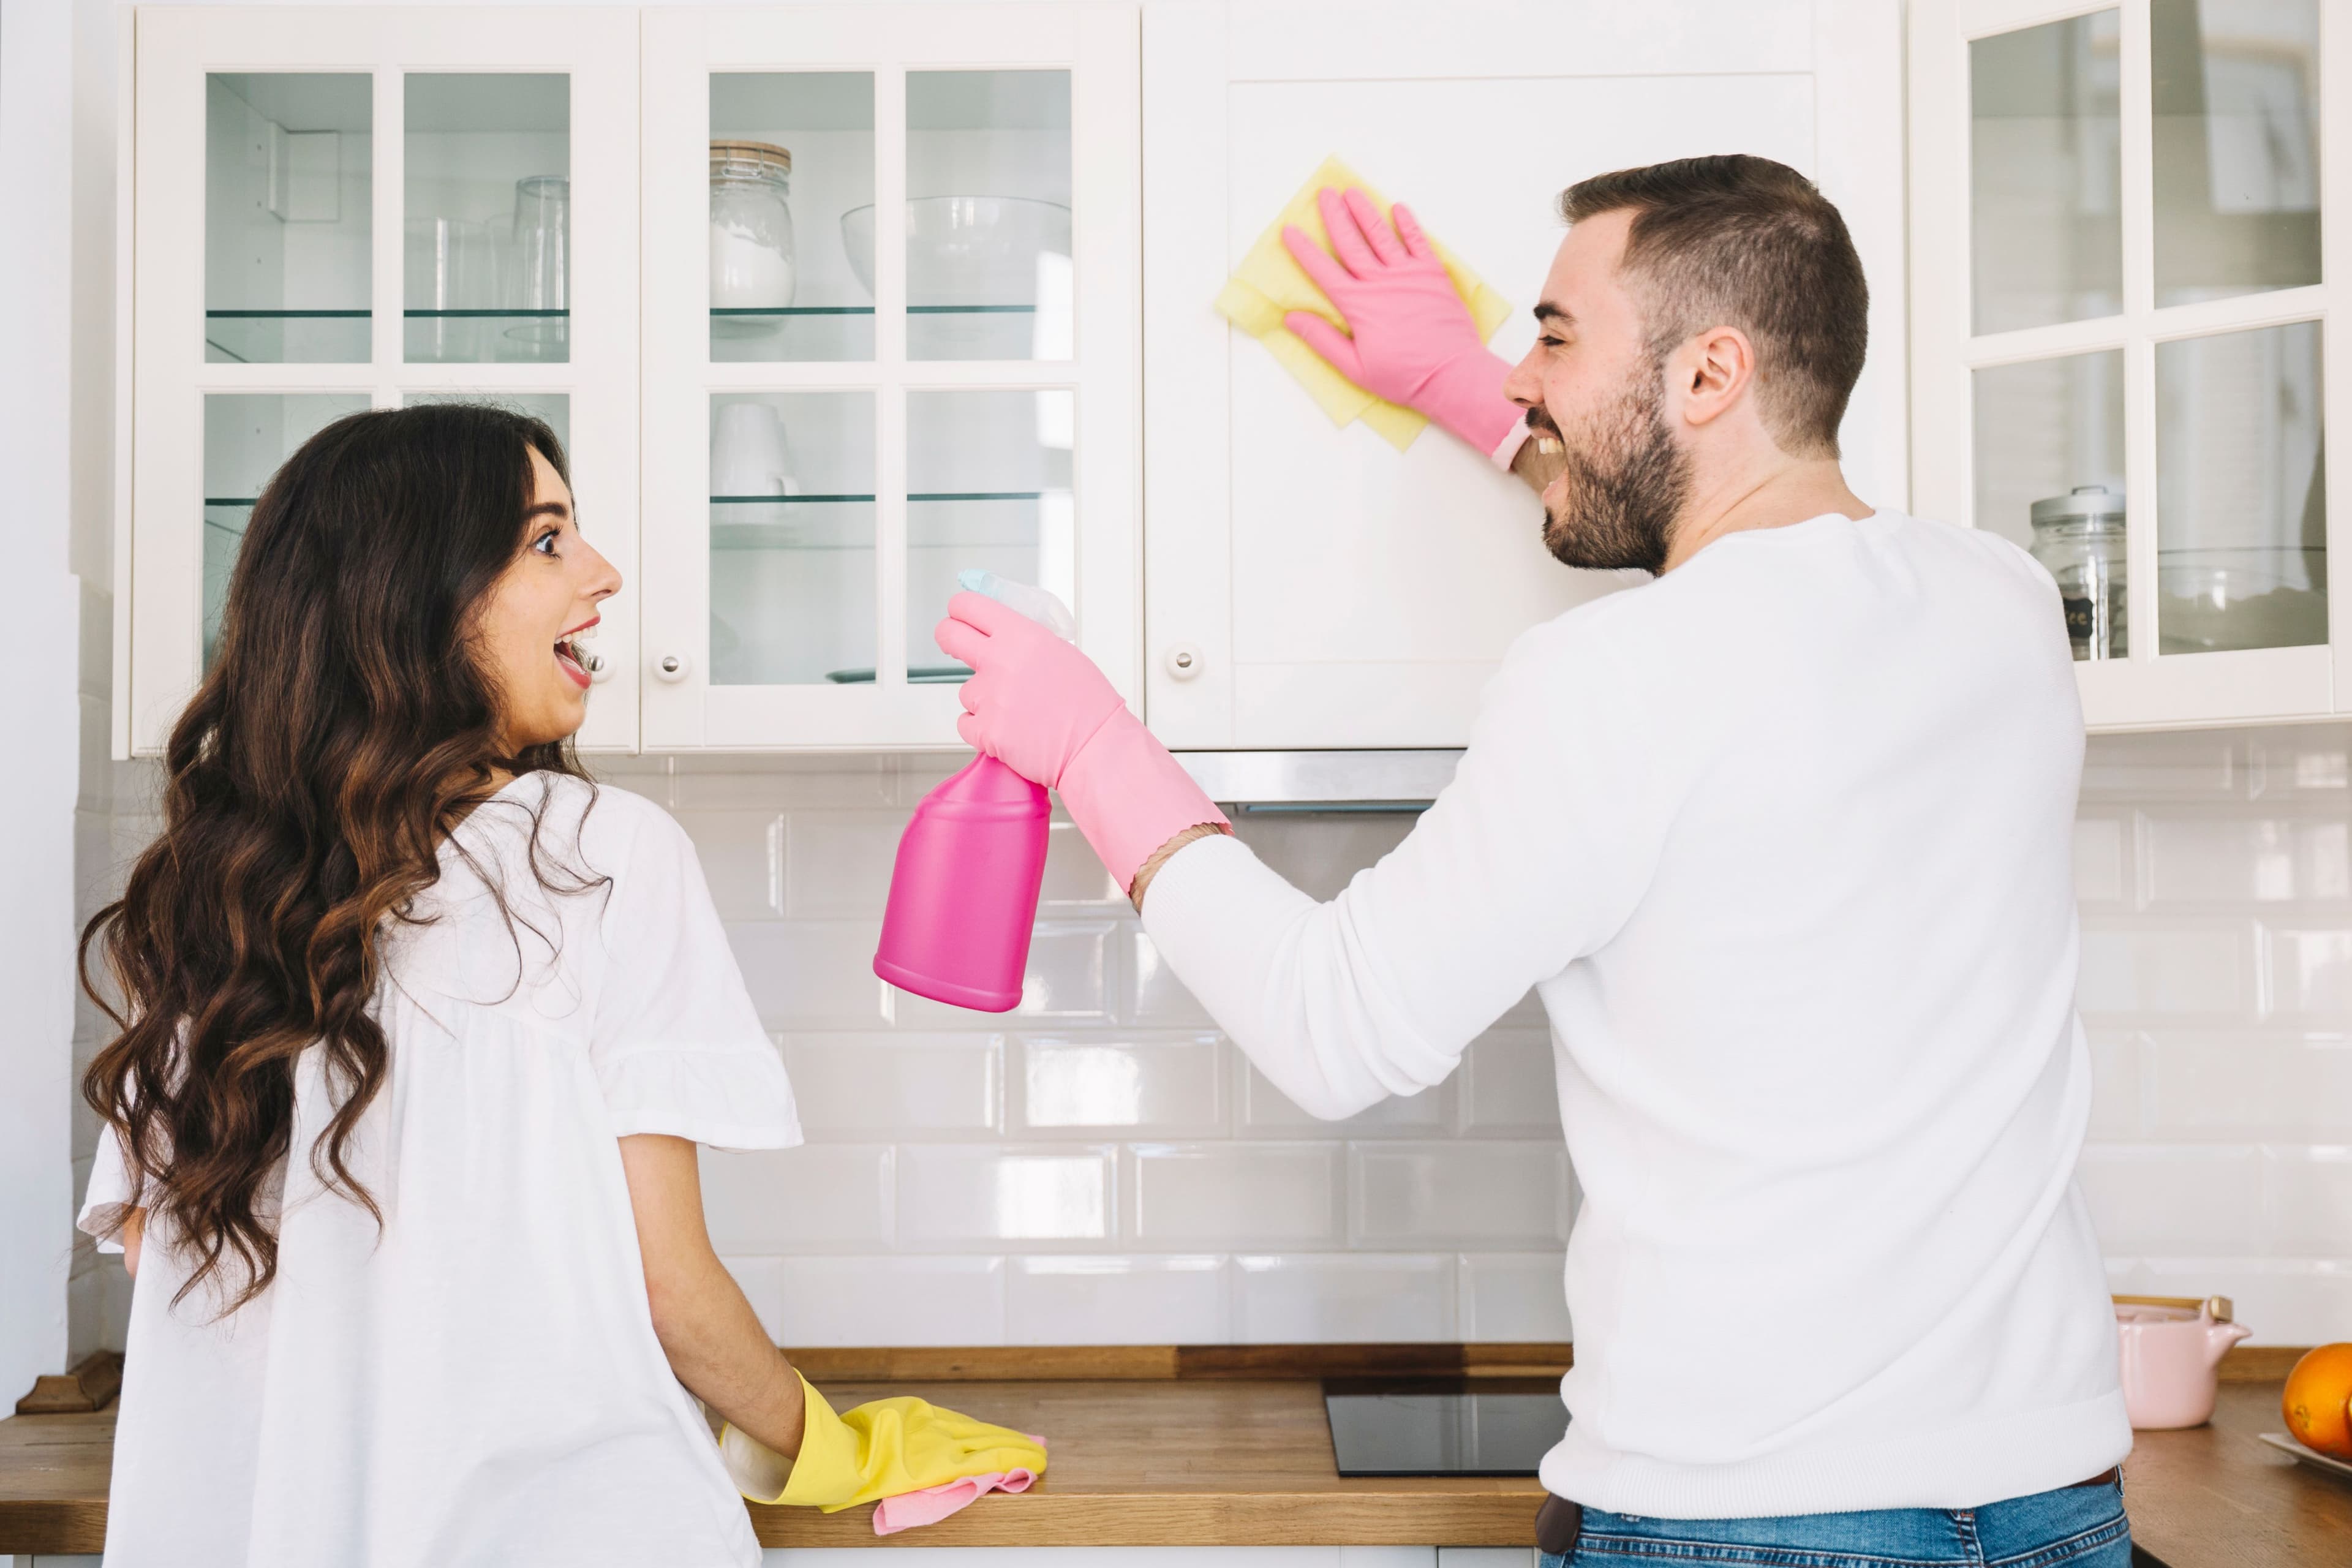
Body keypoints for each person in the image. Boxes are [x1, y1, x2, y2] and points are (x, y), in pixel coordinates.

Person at [938, 156, 2133, 1567]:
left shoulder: (1606, 677)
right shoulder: (2001, 604)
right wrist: (1465, 390)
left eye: (1554, 336)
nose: (1516, 379)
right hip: (2056, 1498)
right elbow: (1754, 602)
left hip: (1747, 1515)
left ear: (1710, 373)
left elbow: (1335, 1026)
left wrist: (1095, 747)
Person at [78, 405, 810, 1566]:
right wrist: (834, 1445)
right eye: (547, 541)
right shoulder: (598, 853)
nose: (604, 574)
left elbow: (168, 1265)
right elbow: (672, 1291)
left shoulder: (210, 894)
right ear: (417, 597)